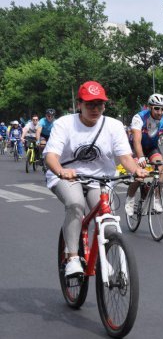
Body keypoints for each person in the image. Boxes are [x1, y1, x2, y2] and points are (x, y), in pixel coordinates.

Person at [44, 81, 148, 277]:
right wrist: (60, 170)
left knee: (107, 223)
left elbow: (125, 157)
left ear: (105, 105)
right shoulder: (64, 124)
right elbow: (51, 156)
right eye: (90, 104)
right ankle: (73, 258)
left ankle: (102, 259)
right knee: (75, 204)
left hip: (100, 179)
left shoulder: (114, 125)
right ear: (79, 105)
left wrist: (136, 170)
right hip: (68, 176)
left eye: (99, 104)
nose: (95, 109)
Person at [125, 93, 163, 216]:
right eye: (157, 108)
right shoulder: (139, 117)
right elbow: (136, 140)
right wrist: (140, 157)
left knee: (160, 169)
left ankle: (157, 199)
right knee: (139, 175)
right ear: (150, 107)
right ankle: (130, 199)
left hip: (152, 147)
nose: (160, 112)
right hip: (136, 148)